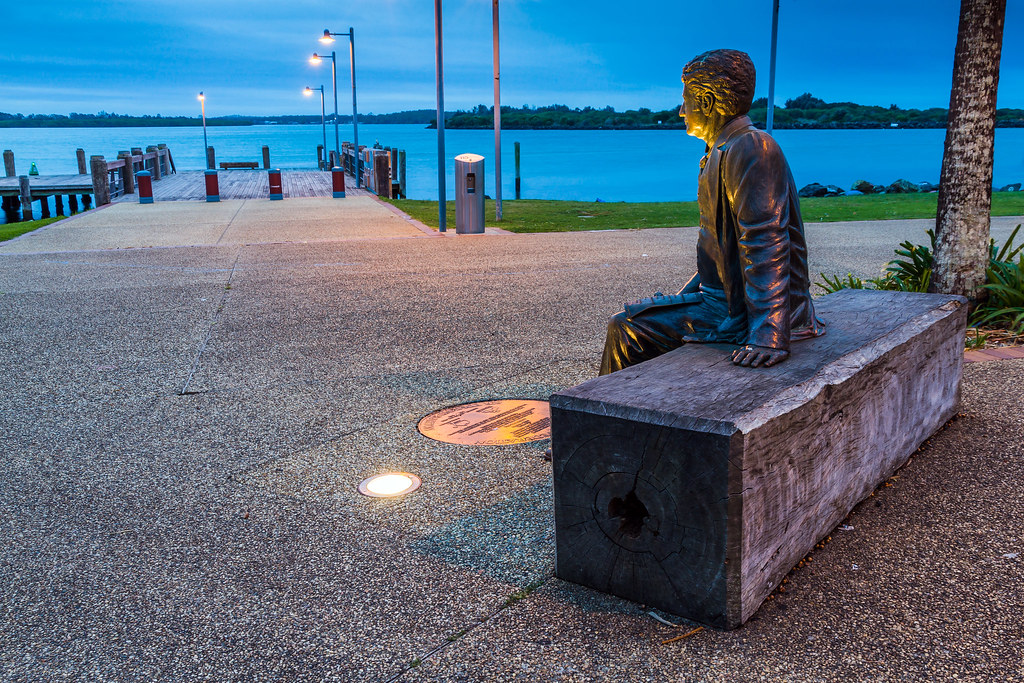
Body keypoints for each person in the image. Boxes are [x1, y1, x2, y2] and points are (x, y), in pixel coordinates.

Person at [600, 49, 824, 375]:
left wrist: (769, 335)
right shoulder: (720, 151)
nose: (680, 111)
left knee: (626, 330)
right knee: (638, 318)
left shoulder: (751, 148)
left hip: (747, 314)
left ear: (706, 103)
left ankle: (602, 422)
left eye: (686, 100)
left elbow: (767, 245)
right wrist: (679, 299)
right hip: (726, 304)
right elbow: (719, 253)